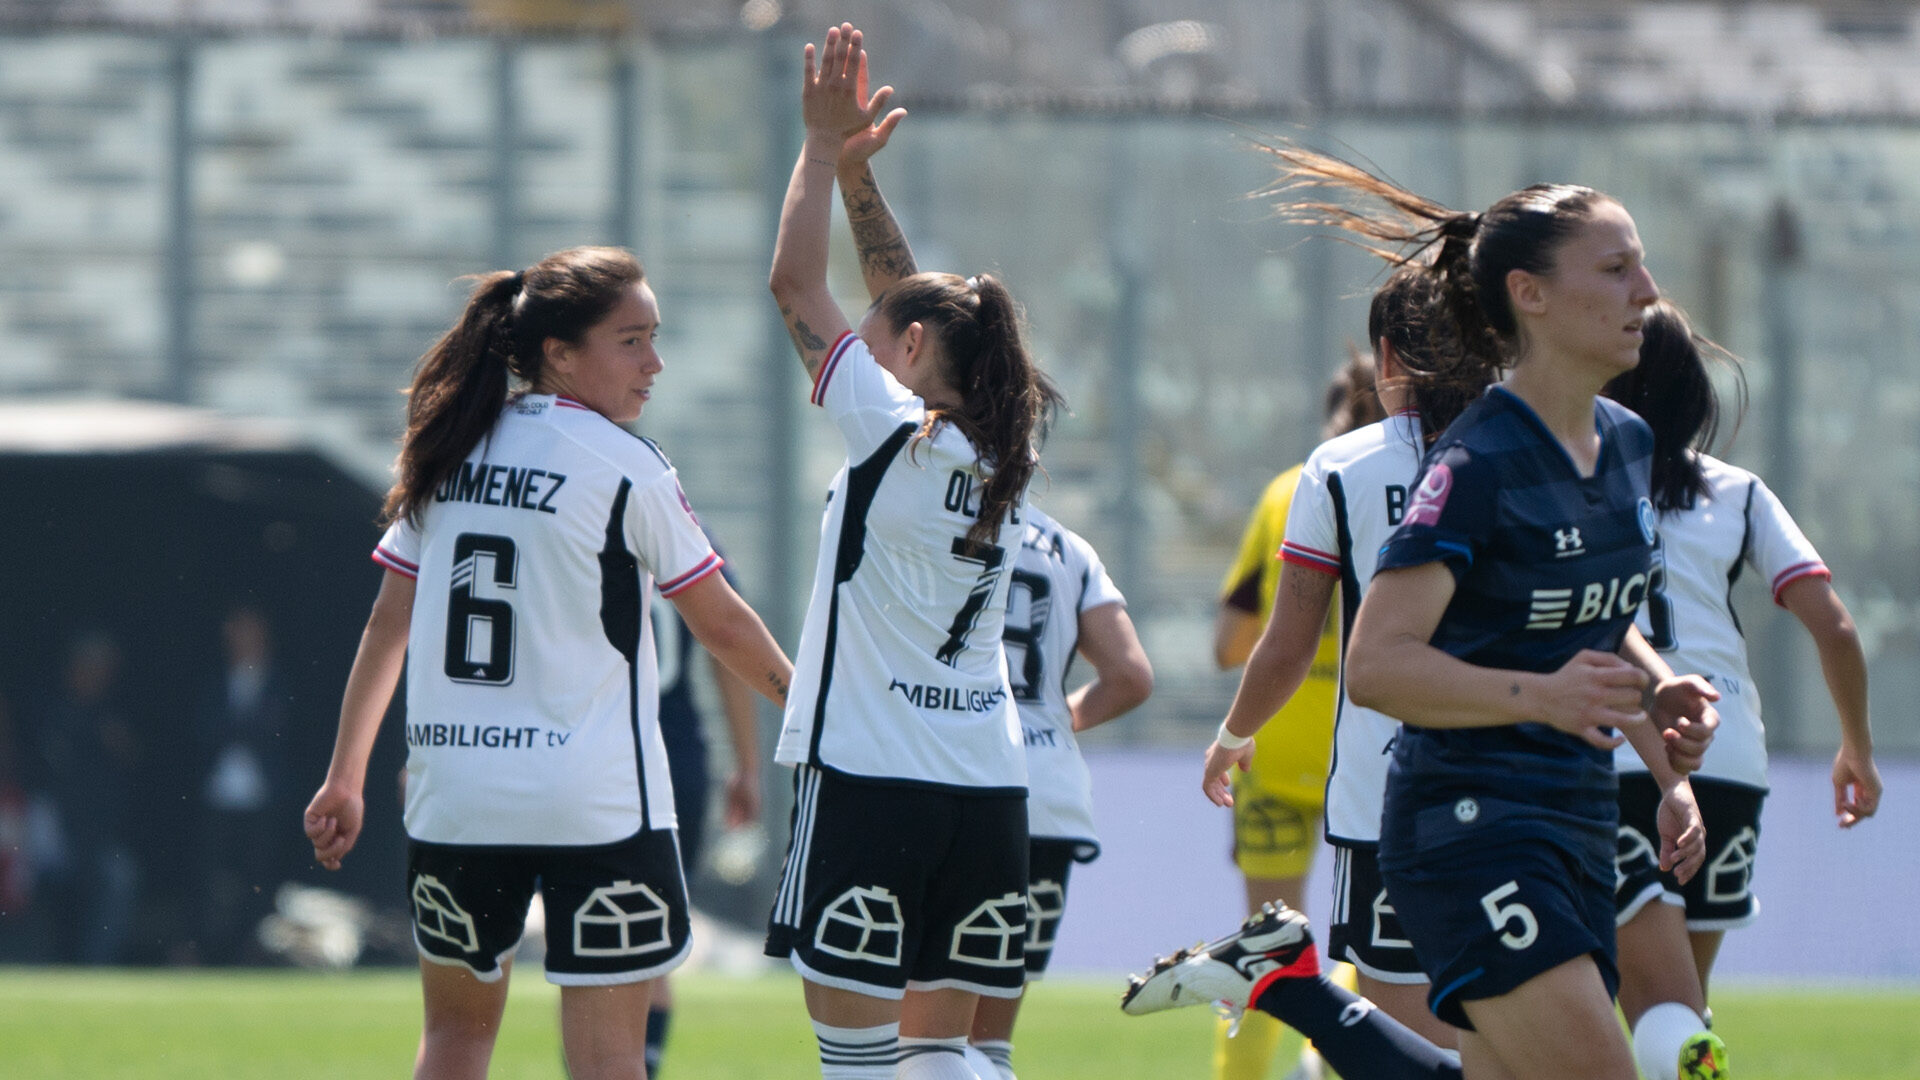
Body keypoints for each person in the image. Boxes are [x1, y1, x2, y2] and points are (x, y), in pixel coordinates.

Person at [1125, 151, 1720, 1080]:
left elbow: (1593, 623)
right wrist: (1545, 695)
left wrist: (1660, 691)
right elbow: (1377, 666)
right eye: (1615, 269)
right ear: (1528, 294)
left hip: (1577, 813)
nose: (1648, 290)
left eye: (1640, 264)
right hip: (1471, 824)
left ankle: (1295, 989)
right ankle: (1298, 988)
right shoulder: (1473, 466)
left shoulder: (1629, 442)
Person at [302, 245, 793, 1080]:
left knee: (454, 1043)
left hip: (458, 799)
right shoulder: (625, 464)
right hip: (593, 807)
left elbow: (389, 627)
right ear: (560, 354)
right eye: (631, 341)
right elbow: (722, 626)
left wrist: (345, 776)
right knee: (607, 1062)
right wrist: (822, 714)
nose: (656, 364)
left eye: (654, 338)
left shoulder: (446, 453)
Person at [764, 24, 1061, 1080]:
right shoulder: (1010, 445)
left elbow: (797, 288)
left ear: (917, 355)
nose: (874, 338)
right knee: (950, 1060)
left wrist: (812, 147)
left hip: (871, 781)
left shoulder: (891, 432)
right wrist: (858, 181)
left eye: (892, 337)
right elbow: (912, 301)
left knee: (860, 1066)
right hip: (985, 790)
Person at [1199, 266, 1488, 1060]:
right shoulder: (1546, 452)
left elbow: (1262, 641)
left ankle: (1283, 989)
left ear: (1387, 359)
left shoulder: (1321, 474)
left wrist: (1232, 733)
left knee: (1379, 1018)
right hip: (1520, 777)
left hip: (1359, 771)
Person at [1604, 300, 1882, 1080]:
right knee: (1685, 1008)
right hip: (1729, 760)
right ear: (1698, 394)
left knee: (1635, 1008)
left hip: (1618, 752)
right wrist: (1856, 746)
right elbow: (1836, 629)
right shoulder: (1741, 492)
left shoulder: (1576, 485)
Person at [1207, 350, 1383, 1080]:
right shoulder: (1430, 485)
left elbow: (1229, 644)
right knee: (1379, 947)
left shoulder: (1291, 489)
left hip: (1272, 748)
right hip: (1369, 750)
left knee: (1272, 940)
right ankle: (1327, 1059)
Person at [965, 505, 1153, 1080]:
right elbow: (1131, 676)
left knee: (920, 1037)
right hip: (1047, 795)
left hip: (958, 778)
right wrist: (1049, 722)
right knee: (990, 1044)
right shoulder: (1068, 545)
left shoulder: (936, 513)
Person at [643, 546, 764, 1078]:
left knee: (586, 948)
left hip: (594, 755)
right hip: (677, 759)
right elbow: (727, 644)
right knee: (651, 945)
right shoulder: (694, 540)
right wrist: (747, 766)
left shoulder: (581, 516)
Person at [193, 604, 291, 965]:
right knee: (215, 877)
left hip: (263, 793)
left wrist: (240, 729)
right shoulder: (216, 680)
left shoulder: (277, 679)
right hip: (219, 792)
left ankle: (254, 950)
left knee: (259, 876)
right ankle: (211, 949)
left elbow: (279, 731)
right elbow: (205, 728)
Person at [36, 632, 140, 965]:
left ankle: (96, 966)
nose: (99, 677)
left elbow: (132, 764)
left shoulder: (111, 717)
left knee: (119, 877)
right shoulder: (54, 716)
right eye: (93, 667)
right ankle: (39, 962)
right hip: (55, 835)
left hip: (97, 836)